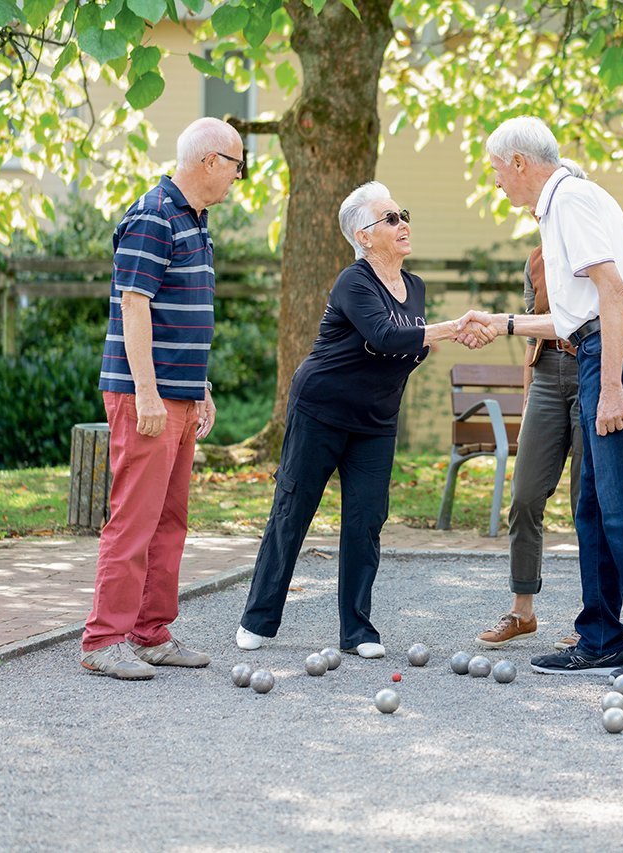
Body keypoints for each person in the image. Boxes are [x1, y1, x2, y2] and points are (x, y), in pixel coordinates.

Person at [460, 116, 623, 686]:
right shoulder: (561, 204)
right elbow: (573, 313)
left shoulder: (568, 199)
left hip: (613, 351)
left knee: (619, 499)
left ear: (520, 162)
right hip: (599, 343)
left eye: (497, 171)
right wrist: (503, 323)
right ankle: (599, 639)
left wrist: (612, 383)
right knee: (593, 502)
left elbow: (614, 293)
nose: (497, 185)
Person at [236, 181, 493, 658]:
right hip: (321, 409)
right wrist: (446, 330)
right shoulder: (352, 281)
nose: (403, 225)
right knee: (293, 511)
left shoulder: (414, 286)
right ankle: (258, 619)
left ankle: (357, 632)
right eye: (390, 218)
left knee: (366, 519)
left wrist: (445, 338)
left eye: (403, 214)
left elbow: (405, 348)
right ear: (364, 234)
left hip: (376, 419)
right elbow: (384, 334)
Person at [80, 117, 244, 680]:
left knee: (170, 519)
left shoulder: (195, 222)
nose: (237, 178)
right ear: (209, 161)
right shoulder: (154, 214)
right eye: (236, 166)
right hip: (142, 396)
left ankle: (150, 633)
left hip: (179, 396)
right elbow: (135, 304)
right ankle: (103, 640)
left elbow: (185, 314)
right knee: (134, 519)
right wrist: (148, 392)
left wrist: (200, 387)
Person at [474, 161, 589, 652]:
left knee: (592, 502)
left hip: (589, 370)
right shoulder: (536, 261)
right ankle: (523, 611)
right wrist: (526, 402)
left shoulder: (595, 247)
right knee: (524, 496)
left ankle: (596, 618)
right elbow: (531, 329)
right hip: (546, 374)